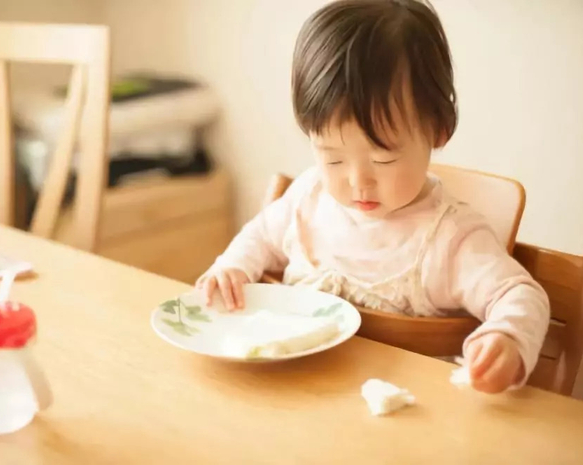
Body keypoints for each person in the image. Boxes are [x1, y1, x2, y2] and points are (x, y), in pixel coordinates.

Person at [196, 0, 549, 394]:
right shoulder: (308, 200)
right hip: (296, 398)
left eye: (383, 159)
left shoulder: (449, 241)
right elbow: (261, 237)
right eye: (332, 158)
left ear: (438, 130)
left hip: (407, 413)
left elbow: (518, 293)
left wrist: (506, 338)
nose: (358, 181)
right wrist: (233, 268)